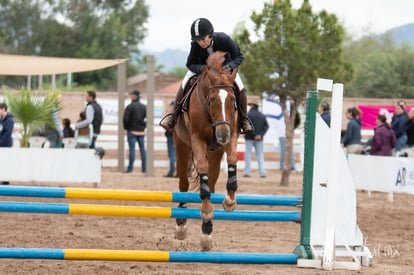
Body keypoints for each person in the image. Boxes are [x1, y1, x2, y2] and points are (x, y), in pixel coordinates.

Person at [159, 17, 253, 134]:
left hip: (225, 70)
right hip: (203, 70)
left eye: (203, 39)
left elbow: (238, 56)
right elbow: (190, 64)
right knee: (184, 83)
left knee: (240, 86)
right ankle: (173, 116)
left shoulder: (223, 39)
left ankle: (244, 119)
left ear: (210, 34)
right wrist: (204, 69)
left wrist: (227, 67)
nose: (201, 42)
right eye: (198, 40)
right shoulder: (195, 45)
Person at [123, 90, 147, 174]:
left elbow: (126, 119)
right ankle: (144, 169)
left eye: (132, 95)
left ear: (134, 96)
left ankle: (130, 169)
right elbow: (147, 119)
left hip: (132, 130)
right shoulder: (144, 107)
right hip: (141, 131)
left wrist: (127, 128)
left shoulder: (130, 106)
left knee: (132, 150)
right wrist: (143, 127)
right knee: (143, 150)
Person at [243, 99, 269, 178]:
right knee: (260, 155)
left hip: (249, 138)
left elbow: (247, 126)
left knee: (248, 155)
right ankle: (262, 173)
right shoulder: (262, 115)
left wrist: (254, 134)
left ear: (252, 106)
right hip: (259, 139)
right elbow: (266, 126)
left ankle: (247, 172)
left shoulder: (248, 115)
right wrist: (260, 135)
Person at [0, 102, 14, 185]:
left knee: (6, 163)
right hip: (1, 144)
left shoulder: (10, 120)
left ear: (3, 109)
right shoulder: (1, 120)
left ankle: (6, 180)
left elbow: (7, 133)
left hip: (6, 145)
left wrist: (0, 143)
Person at [164, 101, 176, 177]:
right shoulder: (181, 115)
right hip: (178, 137)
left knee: (172, 154)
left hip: (171, 137)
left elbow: (166, 124)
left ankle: (171, 171)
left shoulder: (172, 116)